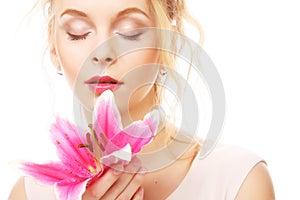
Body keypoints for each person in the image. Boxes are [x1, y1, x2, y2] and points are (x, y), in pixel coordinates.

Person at [9, 0, 275, 199]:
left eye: (129, 30)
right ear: (54, 48)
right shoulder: (29, 194)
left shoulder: (239, 181)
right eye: (78, 32)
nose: (102, 52)